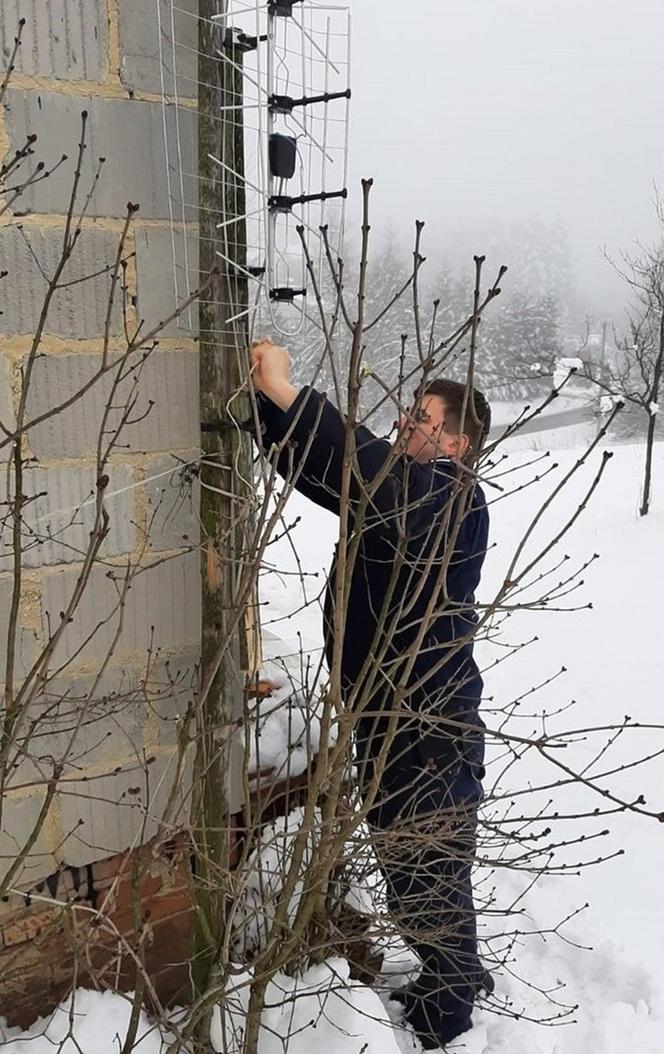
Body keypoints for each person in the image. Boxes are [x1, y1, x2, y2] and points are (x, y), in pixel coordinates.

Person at [248, 338, 491, 1049]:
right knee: (419, 860)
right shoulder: (399, 493)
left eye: (421, 416)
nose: (405, 423)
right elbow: (332, 473)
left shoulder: (450, 495)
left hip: (428, 725)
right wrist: (269, 411)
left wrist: (291, 392)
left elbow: (372, 471)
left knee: (424, 866)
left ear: (456, 439)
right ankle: (461, 974)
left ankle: (446, 1017)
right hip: (393, 717)